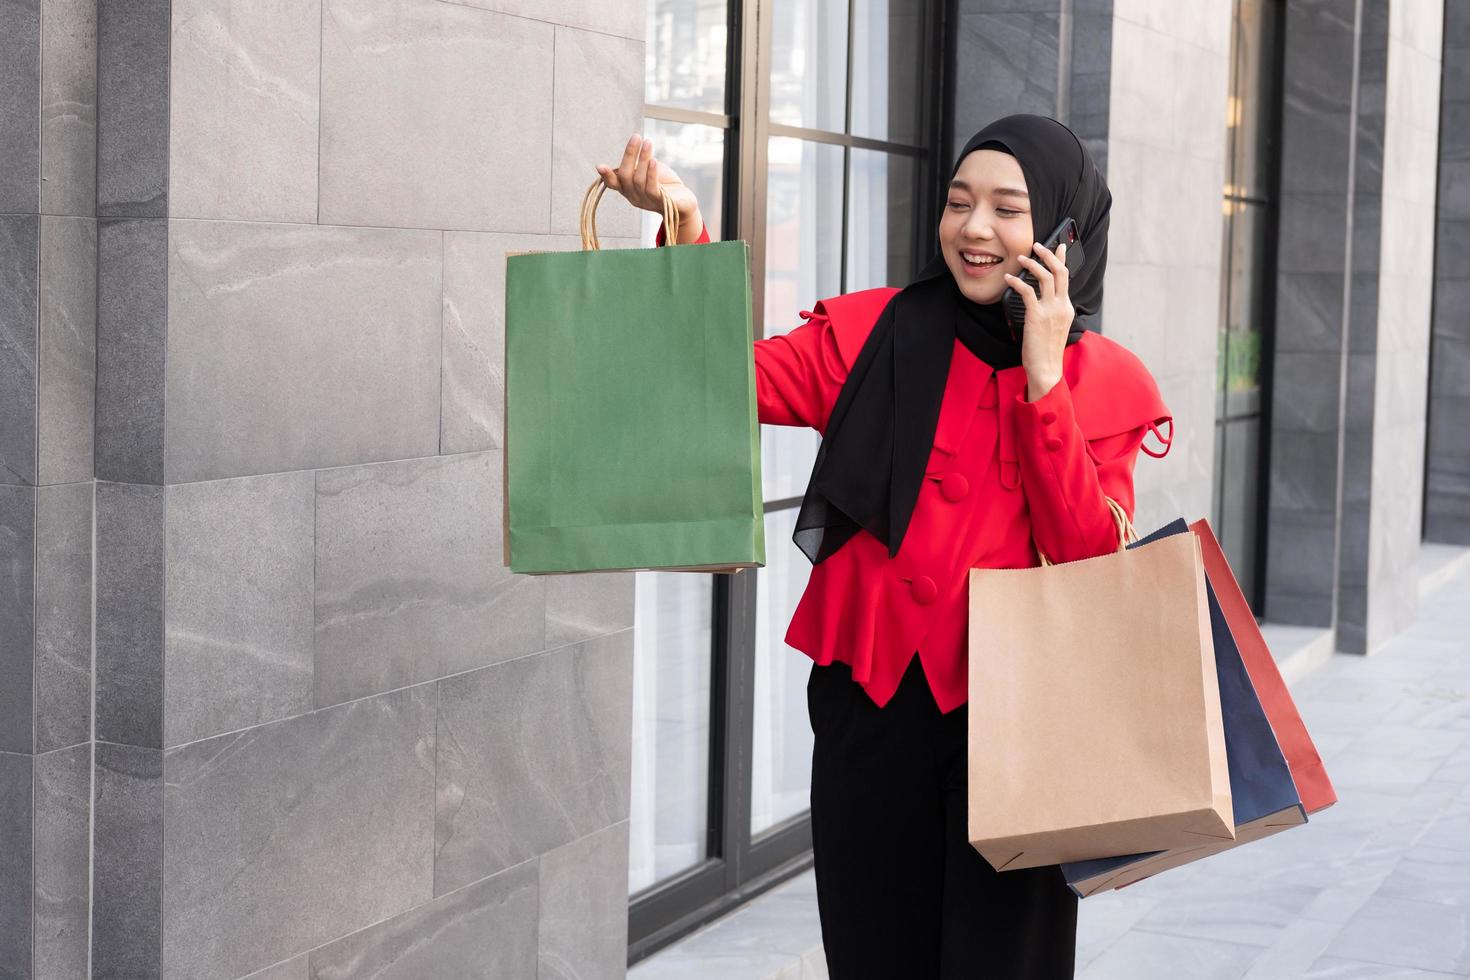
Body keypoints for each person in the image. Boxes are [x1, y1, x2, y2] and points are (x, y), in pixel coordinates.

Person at [597, 114, 1173, 979]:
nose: (974, 229)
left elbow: (1090, 555)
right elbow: (720, 371)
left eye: (1008, 210)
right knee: (872, 955)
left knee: (1004, 964)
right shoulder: (870, 332)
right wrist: (681, 217)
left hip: (1023, 724)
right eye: (958, 203)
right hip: (871, 707)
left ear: (1064, 233)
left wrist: (1044, 381)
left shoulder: (1105, 382)